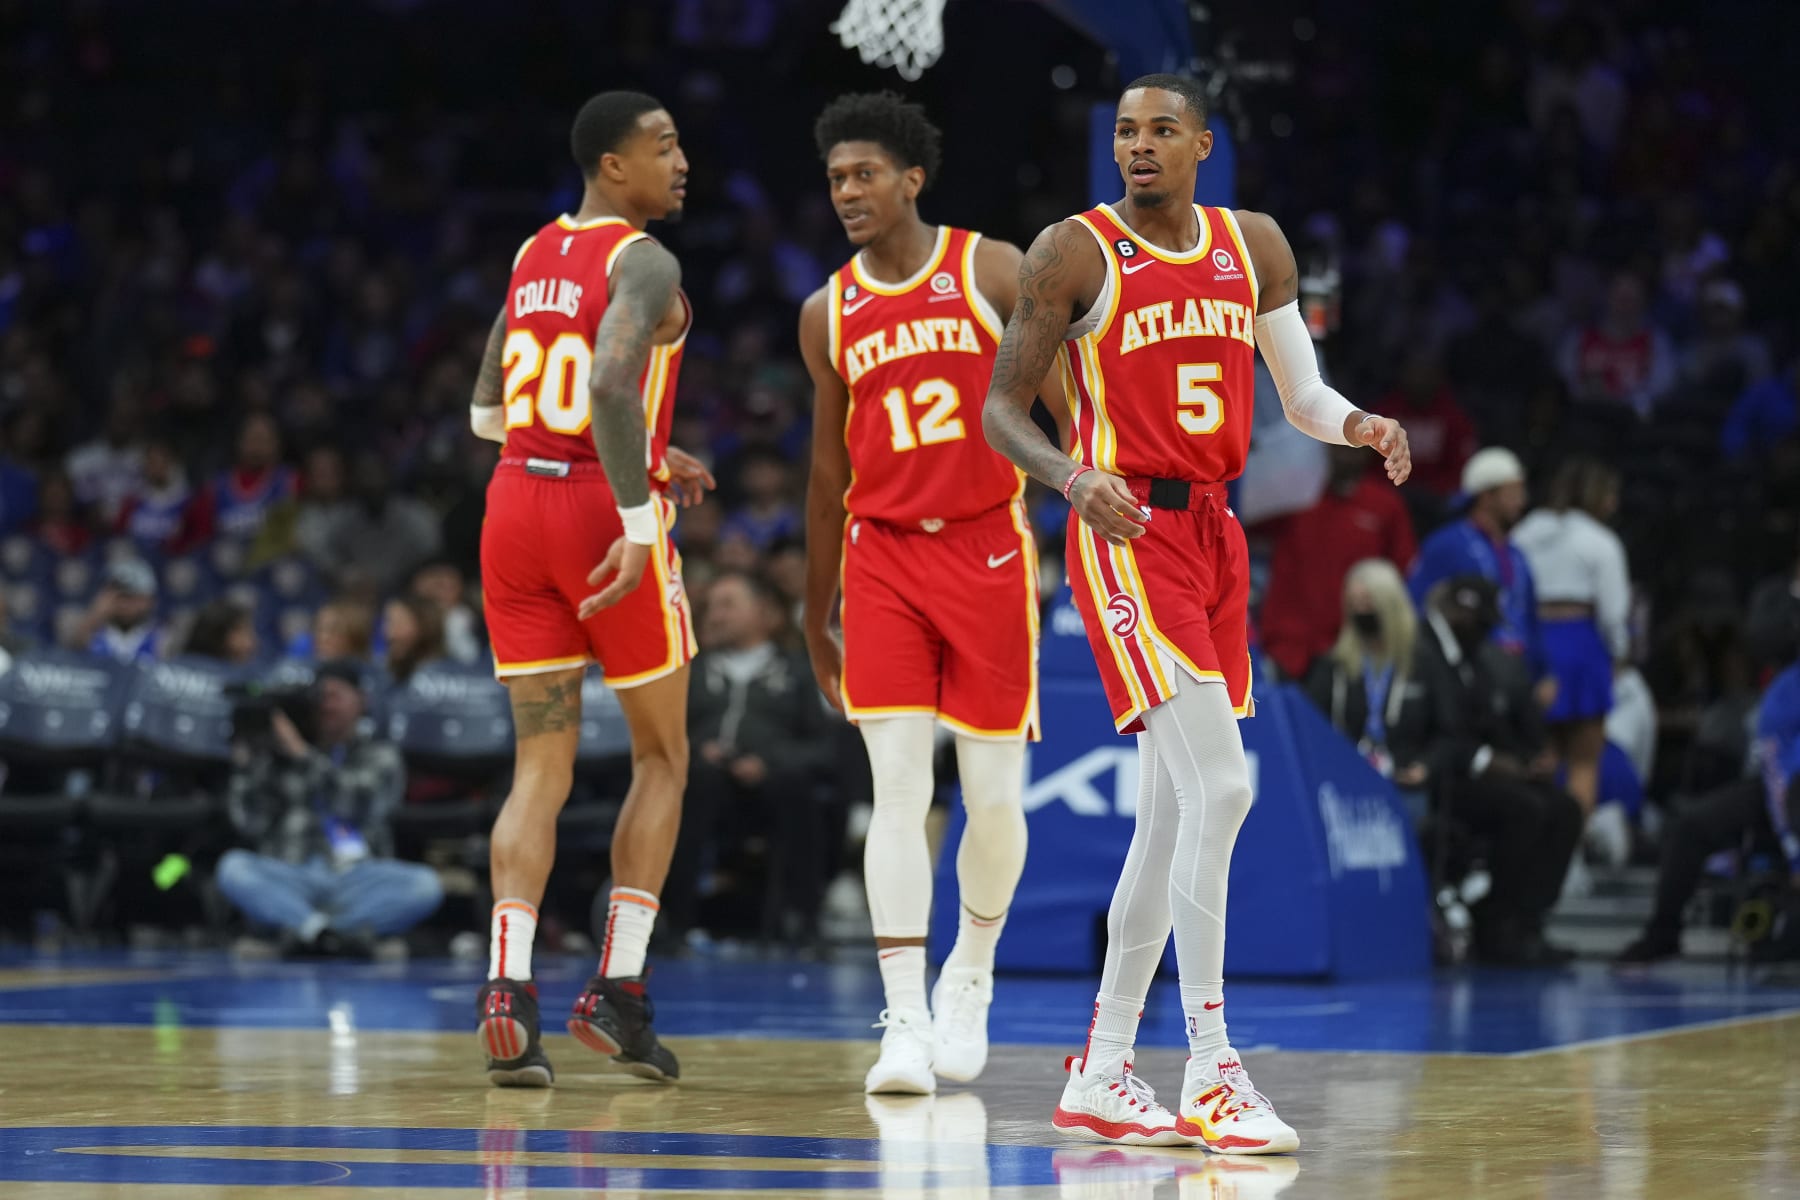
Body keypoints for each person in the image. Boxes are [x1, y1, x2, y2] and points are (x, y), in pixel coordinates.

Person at [980, 74, 1411, 1151]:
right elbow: (1001, 410)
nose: (1139, 146)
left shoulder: (1252, 244)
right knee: (1224, 785)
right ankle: (1214, 1064)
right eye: (1125, 131)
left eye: (1160, 130)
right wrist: (1072, 479)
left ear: (1202, 145)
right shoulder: (1070, 253)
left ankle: (1107, 1069)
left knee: (1173, 814)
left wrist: (1361, 424)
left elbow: (1299, 396)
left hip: (1215, 536)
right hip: (1124, 529)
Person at [469, 90, 713, 1089]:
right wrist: (638, 513)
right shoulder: (644, 258)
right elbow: (610, 386)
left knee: (541, 767)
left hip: (513, 512)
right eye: (662, 147)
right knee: (661, 756)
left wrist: (648, 445)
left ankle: (507, 991)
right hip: (597, 525)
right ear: (615, 167)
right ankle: (617, 990)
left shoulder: (532, 254)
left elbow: (489, 412)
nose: (681, 160)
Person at [799, 92, 1040, 1094]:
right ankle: (902, 1017)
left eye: (864, 174)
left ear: (912, 178)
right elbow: (824, 474)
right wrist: (816, 611)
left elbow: (1069, 415)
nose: (848, 191)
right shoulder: (829, 310)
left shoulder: (993, 268)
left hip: (988, 550)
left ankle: (970, 973)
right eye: (835, 179)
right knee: (895, 792)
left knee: (991, 800)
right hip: (882, 556)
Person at [1400, 577, 1583, 966]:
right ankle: (1497, 922)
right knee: (1524, 810)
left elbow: (1487, 719)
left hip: (1474, 767)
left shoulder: (1475, 654)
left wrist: (1527, 758)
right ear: (1459, 612)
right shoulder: (1421, 649)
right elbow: (1441, 731)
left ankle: (1526, 920)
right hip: (1440, 778)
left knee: (1564, 808)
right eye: (1480, 620)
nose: (1485, 630)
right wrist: (1487, 761)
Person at [215, 660, 441, 955]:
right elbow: (249, 822)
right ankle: (337, 936)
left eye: (336, 695)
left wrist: (301, 754)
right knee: (233, 868)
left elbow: (358, 804)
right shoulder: (275, 753)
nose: (326, 705)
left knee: (426, 885)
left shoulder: (380, 753)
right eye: (320, 696)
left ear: (361, 700)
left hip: (357, 877)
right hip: (290, 871)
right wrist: (247, 765)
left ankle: (301, 932)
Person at [666, 571, 834, 945]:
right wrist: (697, 749)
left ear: (766, 613)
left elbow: (823, 747)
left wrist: (769, 761)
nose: (715, 615)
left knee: (797, 787)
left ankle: (803, 924)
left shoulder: (798, 671)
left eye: (728, 605)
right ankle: (674, 923)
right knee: (686, 786)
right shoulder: (692, 668)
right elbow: (664, 735)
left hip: (774, 783)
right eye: (710, 606)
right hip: (706, 782)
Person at [1615, 653, 1800, 966]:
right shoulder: (1788, 688)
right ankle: (1663, 932)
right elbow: (1780, 771)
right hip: (1783, 787)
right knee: (1691, 825)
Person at [1511, 458, 1630, 823]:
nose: (1613, 504)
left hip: (1530, 642)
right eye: (1610, 495)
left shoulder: (1524, 532)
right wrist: (1619, 655)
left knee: (1533, 756)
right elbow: (1613, 614)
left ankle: (1532, 850)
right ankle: (1570, 858)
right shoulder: (1601, 541)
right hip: (1580, 644)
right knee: (1582, 762)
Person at [1258, 444, 1416, 680]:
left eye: (1353, 448)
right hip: (1290, 644)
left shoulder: (1384, 505)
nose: (1344, 454)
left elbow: (1403, 571)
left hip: (1352, 645)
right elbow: (1248, 519)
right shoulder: (1294, 494)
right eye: (1336, 447)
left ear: (1367, 453)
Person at [1408, 447, 1544, 680]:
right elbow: (1416, 605)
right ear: (1487, 496)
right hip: (1468, 674)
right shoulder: (1447, 544)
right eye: (1514, 492)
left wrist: (1545, 672)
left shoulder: (1516, 554)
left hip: (1519, 675)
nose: (1522, 501)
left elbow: (1530, 617)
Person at [1305, 559, 1427, 785]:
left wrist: (1426, 766)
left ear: (1389, 605)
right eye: (1354, 603)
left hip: (1405, 780)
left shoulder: (1422, 660)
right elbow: (1309, 720)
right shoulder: (1335, 663)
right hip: (1347, 776)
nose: (1360, 610)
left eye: (1367, 602)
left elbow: (1448, 728)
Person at [72, 559, 164, 664]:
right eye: (117, 597)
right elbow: (71, 650)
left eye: (129, 597)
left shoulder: (161, 638)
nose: (123, 604)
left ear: (148, 600)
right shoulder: (94, 635)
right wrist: (95, 615)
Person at [381, 595, 447, 685]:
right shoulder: (381, 679)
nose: (389, 634)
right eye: (388, 622)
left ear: (426, 627)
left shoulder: (452, 684)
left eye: (399, 624)